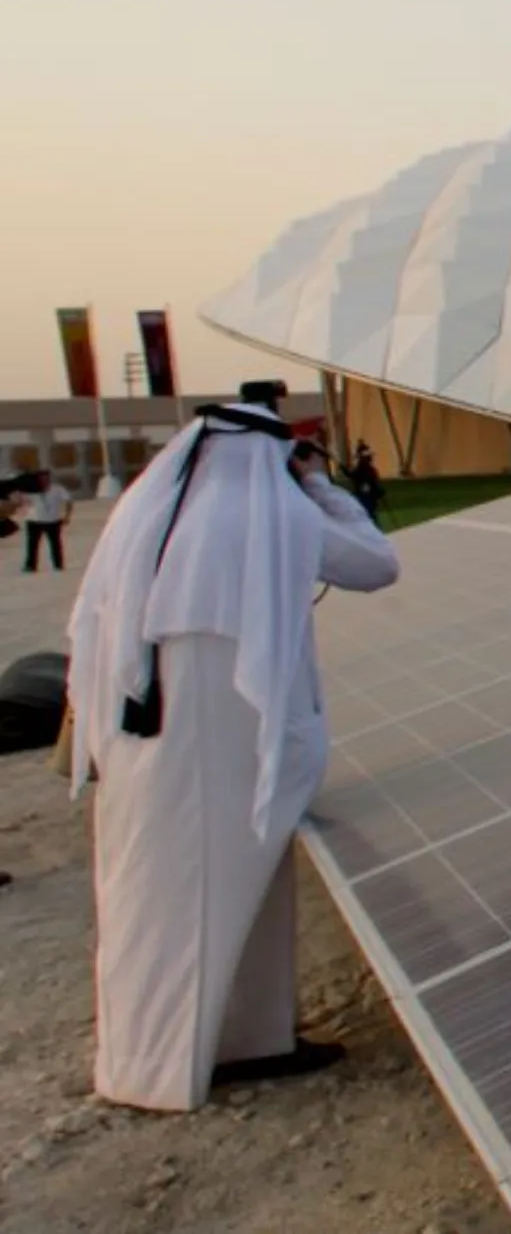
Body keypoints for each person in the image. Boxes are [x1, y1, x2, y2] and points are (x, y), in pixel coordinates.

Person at [66, 390, 399, 1111]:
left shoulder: (146, 516)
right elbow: (377, 563)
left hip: (146, 743)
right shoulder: (275, 513)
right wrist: (316, 485)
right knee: (220, 886)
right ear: (268, 454)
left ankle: (231, 1041)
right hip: (227, 743)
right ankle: (175, 1064)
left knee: (165, 894)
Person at [17, 469, 73, 573]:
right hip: (34, 521)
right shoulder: (30, 490)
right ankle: (30, 565)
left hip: (52, 520)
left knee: (55, 544)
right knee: (32, 545)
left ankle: (58, 565)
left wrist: (67, 515)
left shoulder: (57, 489)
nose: (44, 481)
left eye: (46, 478)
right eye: (41, 478)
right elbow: (19, 501)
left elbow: (68, 501)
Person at [343, 442, 385, 527]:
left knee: (369, 516)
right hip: (364, 496)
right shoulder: (363, 469)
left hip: (368, 497)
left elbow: (352, 475)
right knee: (367, 516)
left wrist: (378, 491)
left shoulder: (368, 469)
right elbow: (352, 475)